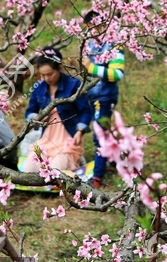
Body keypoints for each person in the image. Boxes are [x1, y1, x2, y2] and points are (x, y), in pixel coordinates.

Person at [23, 47, 92, 172]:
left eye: (50, 74)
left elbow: (85, 111)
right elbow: (30, 111)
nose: (46, 78)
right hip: (47, 136)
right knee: (29, 169)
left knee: (56, 170)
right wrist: (35, 118)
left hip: (68, 134)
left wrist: (80, 130)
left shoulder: (74, 84)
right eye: (42, 75)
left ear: (59, 68)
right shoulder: (39, 88)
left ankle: (75, 158)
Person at [81, 10, 125, 189]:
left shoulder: (113, 45)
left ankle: (97, 176)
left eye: (91, 27)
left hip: (105, 97)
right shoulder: (89, 44)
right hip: (91, 95)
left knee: (99, 137)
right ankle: (117, 163)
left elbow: (117, 74)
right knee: (103, 134)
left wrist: (92, 67)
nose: (89, 32)